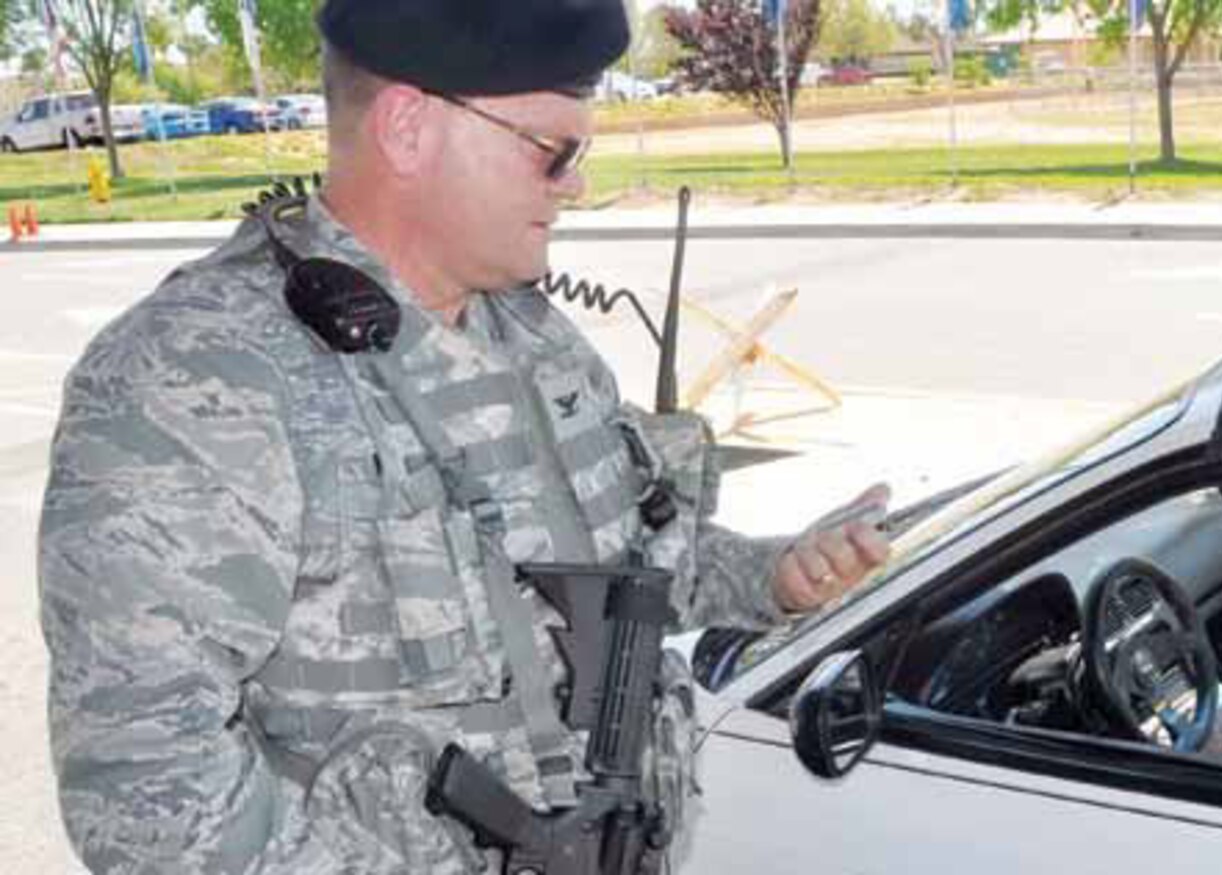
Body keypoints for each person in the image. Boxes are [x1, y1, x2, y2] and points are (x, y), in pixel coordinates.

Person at [38, 2, 889, 872]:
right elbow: (144, 783)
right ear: (408, 127)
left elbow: (633, 568)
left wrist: (775, 576)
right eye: (553, 153)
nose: (576, 186)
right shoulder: (201, 374)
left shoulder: (532, 338)